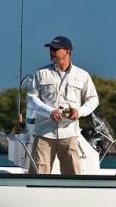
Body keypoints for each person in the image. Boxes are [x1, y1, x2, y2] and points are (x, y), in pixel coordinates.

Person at [27, 36, 99, 175]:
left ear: (67, 52)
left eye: (55, 49)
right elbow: (31, 99)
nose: (51, 51)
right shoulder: (41, 73)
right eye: (50, 49)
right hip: (44, 133)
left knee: (73, 175)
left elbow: (93, 99)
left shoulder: (83, 75)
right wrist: (49, 112)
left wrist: (79, 112)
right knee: (38, 175)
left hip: (70, 133)